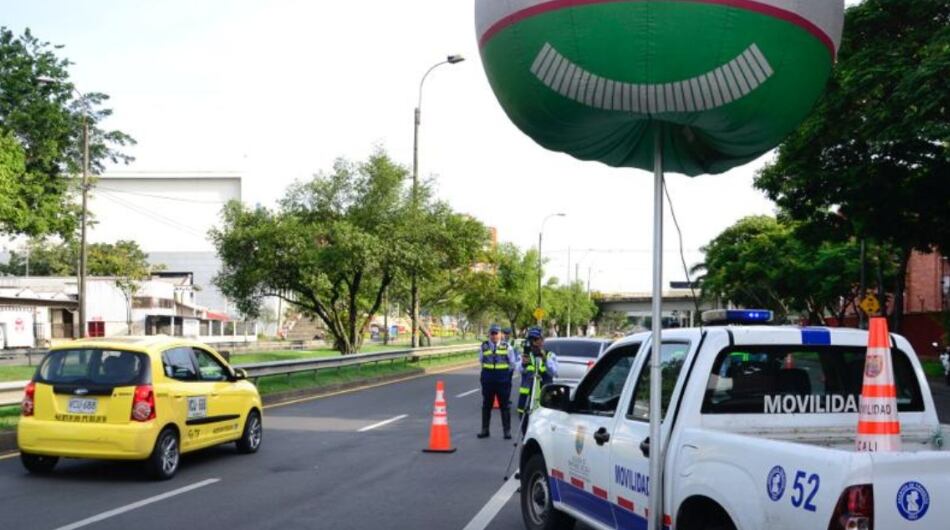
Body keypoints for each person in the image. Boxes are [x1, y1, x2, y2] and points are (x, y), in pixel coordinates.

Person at [478, 324, 517, 439]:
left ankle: (507, 431)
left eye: (496, 333)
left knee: (504, 406)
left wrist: (505, 374)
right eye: (492, 333)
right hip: (488, 379)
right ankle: (485, 430)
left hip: (502, 379)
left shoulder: (507, 347)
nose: (494, 336)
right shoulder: (484, 346)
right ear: (489, 334)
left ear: (500, 334)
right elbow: (481, 360)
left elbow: (512, 363)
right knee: (487, 405)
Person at [517, 327, 558, 434]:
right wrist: (523, 363)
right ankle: (525, 438)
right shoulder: (525, 355)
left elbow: (554, 372)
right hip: (527, 394)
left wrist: (545, 359)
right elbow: (518, 369)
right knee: (524, 418)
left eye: (537, 339)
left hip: (544, 394)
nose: (536, 342)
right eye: (533, 339)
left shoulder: (549, 355)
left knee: (544, 419)